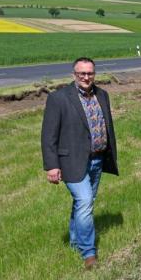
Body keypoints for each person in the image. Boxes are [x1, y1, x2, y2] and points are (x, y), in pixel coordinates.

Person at [41, 57, 119, 269]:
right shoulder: (59, 98)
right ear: (74, 75)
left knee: (84, 203)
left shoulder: (102, 95)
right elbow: (48, 135)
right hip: (71, 161)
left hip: (97, 159)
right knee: (85, 201)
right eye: (81, 73)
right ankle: (89, 253)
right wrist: (52, 165)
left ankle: (75, 242)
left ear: (94, 74)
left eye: (90, 73)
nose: (86, 77)